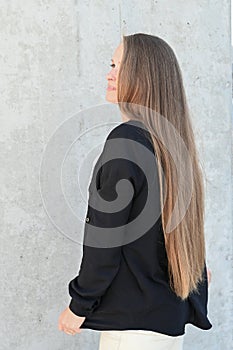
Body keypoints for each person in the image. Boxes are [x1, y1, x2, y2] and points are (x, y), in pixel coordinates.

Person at [58, 33, 212, 350]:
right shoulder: (174, 148)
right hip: (167, 326)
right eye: (111, 64)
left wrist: (79, 305)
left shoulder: (126, 141)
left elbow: (105, 238)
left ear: (143, 76)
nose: (109, 73)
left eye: (119, 65)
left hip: (132, 331)